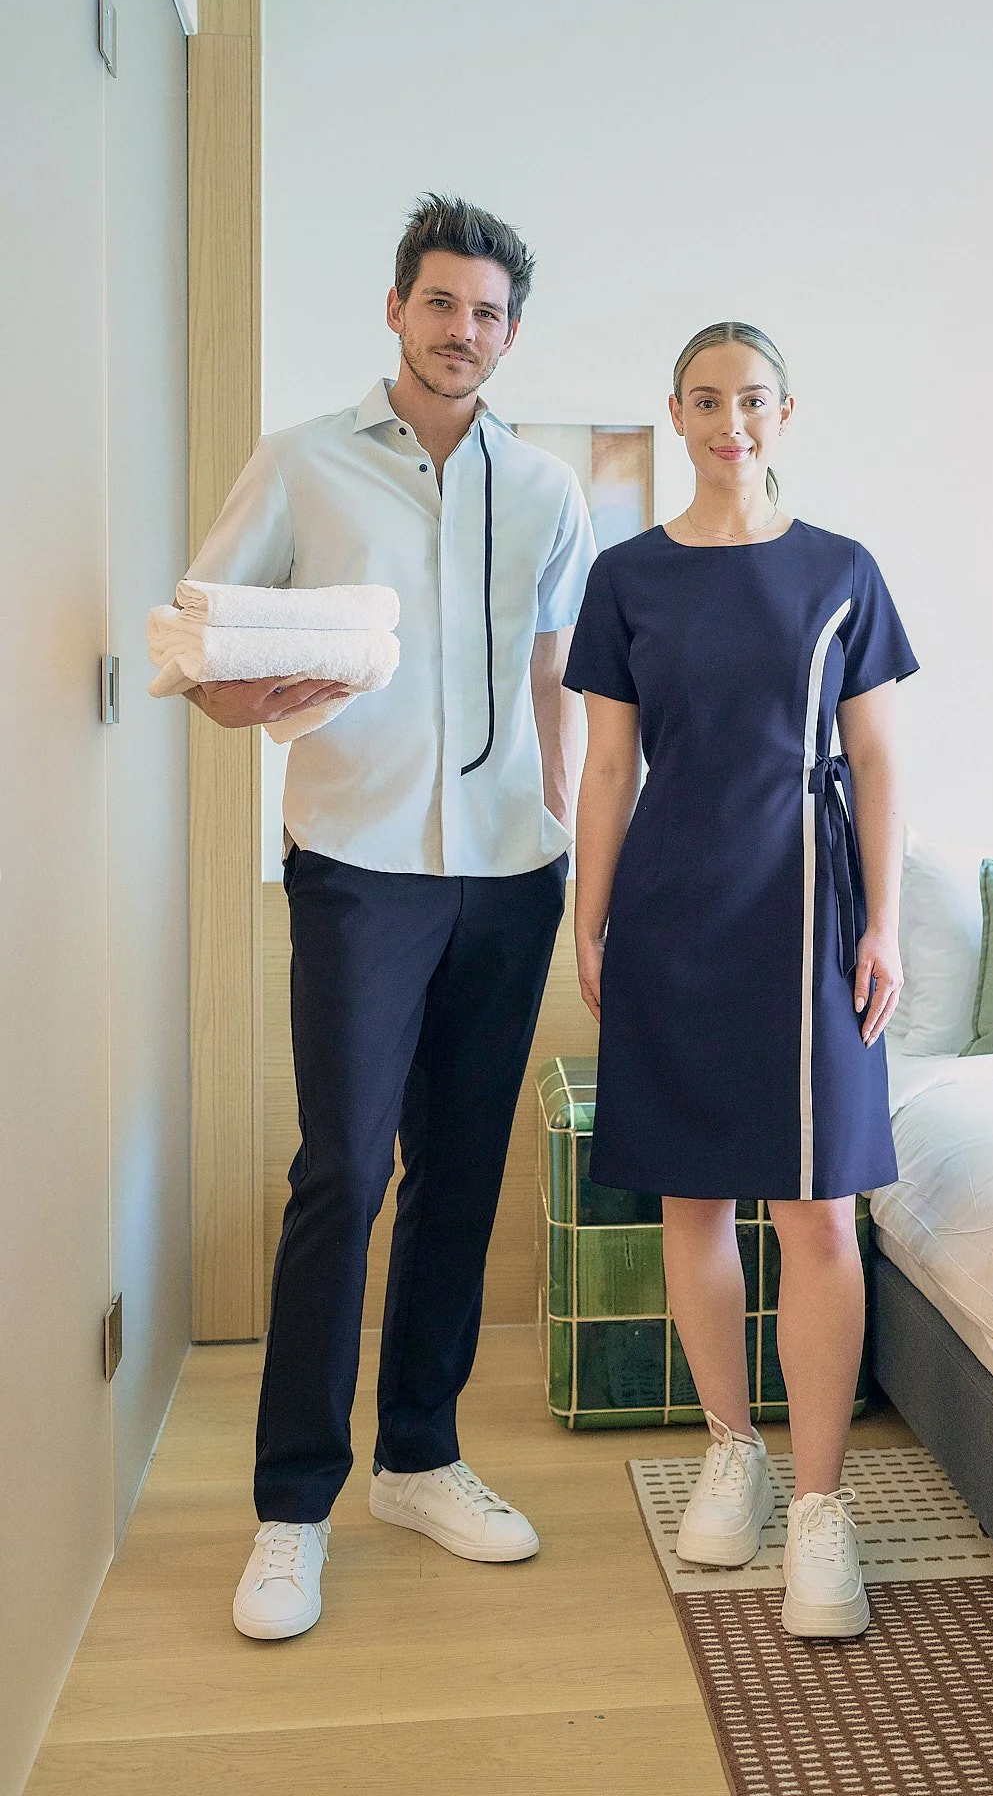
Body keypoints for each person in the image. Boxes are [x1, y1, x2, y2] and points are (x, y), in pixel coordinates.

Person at [184, 195, 595, 1640]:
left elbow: (556, 677)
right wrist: (254, 697)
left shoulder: (545, 490)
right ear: (395, 310)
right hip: (358, 864)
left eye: (486, 313)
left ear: (509, 332)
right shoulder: (303, 462)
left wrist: (566, 828)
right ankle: (292, 1504)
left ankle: (420, 1455)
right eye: (440, 304)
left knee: (461, 1172)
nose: (460, 332)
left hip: (508, 872)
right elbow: (200, 641)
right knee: (344, 1171)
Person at [566, 321, 916, 1639]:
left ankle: (821, 1509)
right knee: (693, 1196)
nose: (732, 422)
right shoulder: (627, 577)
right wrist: (588, 920)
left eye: (753, 400)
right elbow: (608, 766)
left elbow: (878, 762)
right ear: (674, 414)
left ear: (787, 412)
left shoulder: (843, 572)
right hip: (672, 902)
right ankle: (733, 1448)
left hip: (811, 907)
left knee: (818, 1211)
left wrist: (885, 925)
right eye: (706, 401)